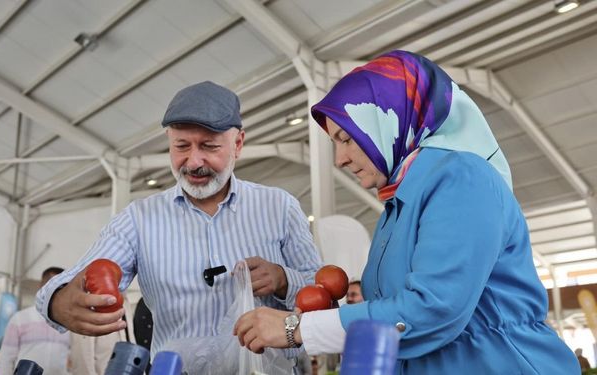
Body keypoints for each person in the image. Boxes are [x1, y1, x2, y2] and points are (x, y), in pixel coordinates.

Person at [233, 50, 579, 374]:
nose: (339, 160)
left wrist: (298, 329)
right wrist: (330, 317)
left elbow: (434, 308)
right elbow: (398, 315)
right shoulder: (397, 206)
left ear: (389, 120)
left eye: (347, 138)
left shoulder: (461, 177)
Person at [35, 81, 322, 371]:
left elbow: (323, 297)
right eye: (181, 146)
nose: (194, 161)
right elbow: (62, 287)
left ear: (238, 144)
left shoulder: (279, 207)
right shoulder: (138, 220)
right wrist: (61, 303)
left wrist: (283, 279)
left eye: (209, 146)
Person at [0, 267, 70, 375]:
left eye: (62, 286)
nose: (55, 290)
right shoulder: (20, 318)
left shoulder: (69, 322)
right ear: (41, 285)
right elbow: (6, 358)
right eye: (52, 284)